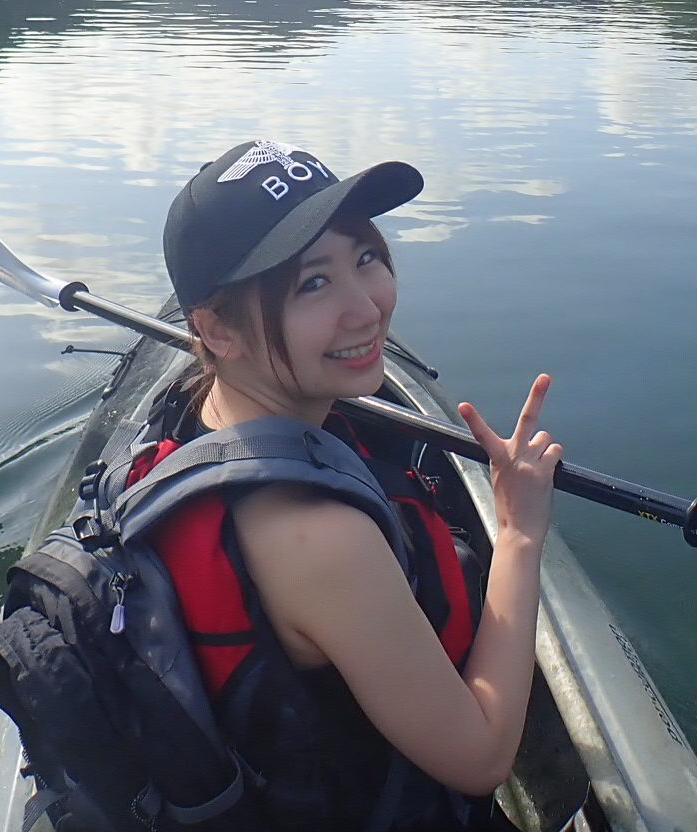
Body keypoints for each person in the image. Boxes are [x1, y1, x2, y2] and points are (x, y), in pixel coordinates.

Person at [141, 137, 563, 829]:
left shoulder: (197, 413)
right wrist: (517, 533)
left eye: (364, 258)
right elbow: (484, 756)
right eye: (313, 283)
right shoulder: (320, 540)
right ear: (216, 330)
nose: (366, 309)